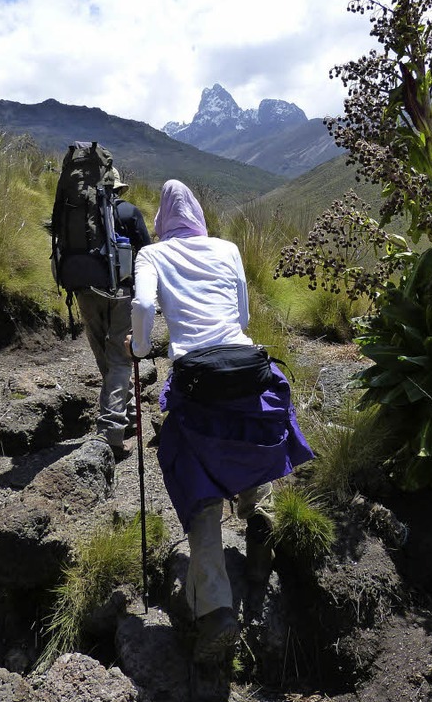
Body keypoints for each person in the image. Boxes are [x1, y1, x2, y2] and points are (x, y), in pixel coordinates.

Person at [128, 179, 313, 661]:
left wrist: (141, 347)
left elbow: (144, 306)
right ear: (199, 217)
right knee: (247, 436)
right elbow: (245, 315)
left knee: (196, 480)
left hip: (196, 378)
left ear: (163, 222)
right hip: (247, 362)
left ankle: (216, 611)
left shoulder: (151, 256)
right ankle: (262, 520)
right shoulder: (228, 248)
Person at [76, 168, 151, 460]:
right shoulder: (130, 212)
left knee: (104, 357)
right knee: (120, 359)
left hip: (85, 292)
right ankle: (111, 433)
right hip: (120, 293)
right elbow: (147, 253)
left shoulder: (79, 214)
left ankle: (128, 414)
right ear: (119, 189)